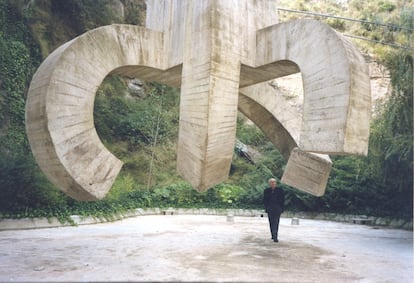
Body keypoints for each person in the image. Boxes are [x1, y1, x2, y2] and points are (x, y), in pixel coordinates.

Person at [263, 178, 285, 242]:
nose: (273, 183)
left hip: (277, 208)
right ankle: (273, 235)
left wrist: (281, 208)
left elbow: (282, 200)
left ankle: (275, 236)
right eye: (271, 182)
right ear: (269, 183)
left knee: (276, 222)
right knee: (271, 222)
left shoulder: (280, 190)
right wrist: (266, 208)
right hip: (270, 209)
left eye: (274, 182)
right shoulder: (266, 191)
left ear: (276, 183)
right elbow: (265, 200)